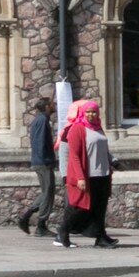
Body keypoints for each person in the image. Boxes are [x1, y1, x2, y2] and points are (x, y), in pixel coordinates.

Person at [74, 100, 118, 248]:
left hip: (103, 173)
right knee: (81, 207)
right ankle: (63, 231)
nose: (91, 115)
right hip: (89, 174)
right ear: (83, 113)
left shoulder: (99, 128)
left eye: (93, 112)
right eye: (88, 112)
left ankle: (101, 237)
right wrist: (80, 177)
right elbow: (74, 155)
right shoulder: (79, 128)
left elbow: (103, 151)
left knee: (100, 207)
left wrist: (114, 161)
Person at [15, 96, 55, 237]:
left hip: (41, 161)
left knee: (46, 192)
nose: (53, 105)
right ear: (46, 107)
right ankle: (41, 225)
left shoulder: (40, 120)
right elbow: (39, 142)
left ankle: (26, 217)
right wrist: (46, 160)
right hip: (43, 162)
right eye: (51, 104)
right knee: (48, 193)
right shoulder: (42, 120)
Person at [56, 99, 93, 249]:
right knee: (75, 204)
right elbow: (66, 154)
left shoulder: (90, 127)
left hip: (86, 173)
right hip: (74, 175)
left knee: (80, 204)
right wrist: (66, 175)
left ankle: (71, 230)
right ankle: (62, 232)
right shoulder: (71, 129)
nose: (90, 114)